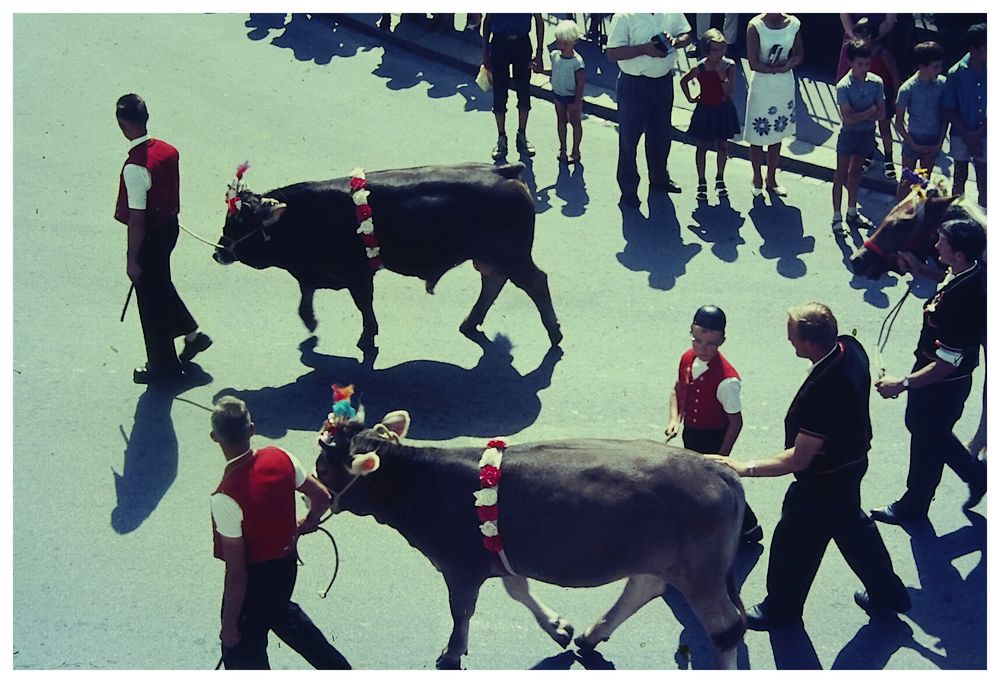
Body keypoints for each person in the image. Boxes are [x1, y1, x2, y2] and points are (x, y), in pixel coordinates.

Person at [707, 304, 911, 629]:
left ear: (811, 344)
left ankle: (781, 609)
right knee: (853, 527)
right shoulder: (850, 348)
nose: (789, 341)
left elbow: (799, 458)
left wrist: (743, 467)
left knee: (793, 539)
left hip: (822, 481)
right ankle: (889, 593)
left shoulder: (825, 391)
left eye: (793, 337)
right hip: (852, 464)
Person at [211, 396, 352, 670]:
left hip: (254, 581)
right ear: (252, 430)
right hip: (286, 568)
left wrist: (229, 626)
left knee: (242, 653)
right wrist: (303, 524)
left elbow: (238, 574)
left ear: (215, 437)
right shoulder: (281, 456)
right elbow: (321, 497)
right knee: (280, 613)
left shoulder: (224, 497)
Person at [872, 218, 988, 525]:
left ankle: (913, 505)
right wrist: (920, 270)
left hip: (943, 383)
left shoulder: (964, 300)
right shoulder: (966, 272)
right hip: (932, 370)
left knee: (926, 440)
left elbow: (948, 362)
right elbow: (946, 277)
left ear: (959, 254)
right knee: (927, 431)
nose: (935, 246)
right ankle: (976, 474)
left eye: (942, 243)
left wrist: (903, 383)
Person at [115, 94, 211, 384]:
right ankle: (193, 335)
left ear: (122, 124)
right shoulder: (167, 150)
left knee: (150, 299)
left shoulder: (134, 168)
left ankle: (162, 364)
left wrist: (132, 259)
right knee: (161, 286)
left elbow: (137, 219)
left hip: (151, 236)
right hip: (170, 228)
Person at [665, 305, 761, 544]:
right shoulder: (687, 358)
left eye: (711, 344)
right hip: (692, 433)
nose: (702, 349)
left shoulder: (727, 381)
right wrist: (674, 419)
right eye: (697, 341)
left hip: (713, 437)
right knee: (698, 482)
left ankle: (749, 528)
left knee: (719, 483)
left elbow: (735, 422)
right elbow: (678, 389)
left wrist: (723, 456)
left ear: (722, 341)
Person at [606, 12, 692, 206]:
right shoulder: (624, 16)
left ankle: (659, 177)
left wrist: (675, 42)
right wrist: (644, 49)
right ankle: (628, 189)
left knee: (661, 136)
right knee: (629, 139)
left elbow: (687, 34)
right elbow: (612, 53)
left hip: (663, 82)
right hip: (634, 84)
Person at [743, 13, 803, 198]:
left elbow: (799, 54)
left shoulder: (794, 23)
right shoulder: (755, 26)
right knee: (758, 133)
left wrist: (787, 65)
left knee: (777, 132)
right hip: (762, 83)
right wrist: (773, 69)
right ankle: (757, 177)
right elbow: (753, 62)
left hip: (783, 83)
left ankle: (771, 178)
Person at [680, 29, 741, 202]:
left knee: (723, 145)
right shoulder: (700, 67)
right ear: (707, 50)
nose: (719, 54)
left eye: (722, 49)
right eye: (715, 50)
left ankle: (720, 178)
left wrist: (722, 76)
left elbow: (729, 92)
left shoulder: (729, 66)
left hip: (722, 109)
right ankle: (701, 181)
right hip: (705, 109)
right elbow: (683, 80)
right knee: (702, 146)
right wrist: (691, 98)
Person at [832, 39, 885, 233]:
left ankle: (852, 212)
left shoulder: (876, 82)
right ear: (851, 62)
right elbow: (848, 118)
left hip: (866, 134)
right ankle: (836, 216)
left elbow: (881, 113)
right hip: (848, 135)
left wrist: (862, 114)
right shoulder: (843, 86)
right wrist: (868, 112)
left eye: (867, 64)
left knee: (855, 174)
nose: (864, 68)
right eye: (860, 64)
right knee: (840, 175)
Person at [482, 13, 545, 160]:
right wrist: (485, 50)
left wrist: (540, 52)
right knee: (499, 93)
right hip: (499, 44)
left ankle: (522, 135)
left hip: (521, 44)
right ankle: (501, 138)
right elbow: (488, 20)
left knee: (524, 92)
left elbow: (539, 20)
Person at [894, 41, 947, 200]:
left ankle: (918, 213)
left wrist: (939, 143)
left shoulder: (942, 85)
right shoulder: (908, 88)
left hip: (932, 139)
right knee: (907, 179)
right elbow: (899, 123)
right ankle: (899, 212)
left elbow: (945, 117)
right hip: (913, 139)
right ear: (922, 66)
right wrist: (913, 144)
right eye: (935, 67)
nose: (939, 70)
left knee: (924, 181)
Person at [944, 23, 987, 209]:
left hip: (986, 133)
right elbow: (949, 108)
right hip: (961, 134)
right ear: (974, 48)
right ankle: (955, 215)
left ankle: (985, 220)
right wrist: (969, 136)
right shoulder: (956, 73)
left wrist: (978, 134)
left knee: (985, 180)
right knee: (959, 177)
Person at [852, 18, 900, 179]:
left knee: (884, 128)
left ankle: (888, 159)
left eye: (861, 37)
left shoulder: (882, 53)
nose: (857, 40)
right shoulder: (858, 54)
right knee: (868, 127)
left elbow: (894, 75)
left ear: (870, 36)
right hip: (867, 94)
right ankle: (869, 155)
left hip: (884, 93)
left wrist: (895, 97)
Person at [542, 19, 586, 164]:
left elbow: (580, 84)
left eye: (565, 43)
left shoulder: (577, 62)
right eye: (559, 42)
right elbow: (555, 71)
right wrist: (541, 70)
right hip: (558, 94)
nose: (561, 46)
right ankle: (562, 148)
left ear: (574, 41)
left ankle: (576, 150)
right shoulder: (554, 55)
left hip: (572, 97)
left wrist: (577, 102)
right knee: (561, 121)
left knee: (575, 123)